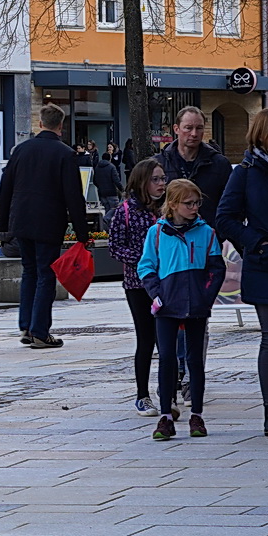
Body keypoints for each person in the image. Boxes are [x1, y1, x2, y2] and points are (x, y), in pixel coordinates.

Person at [0, 104, 91, 350]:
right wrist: (82, 232)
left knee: (29, 271)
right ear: (61, 125)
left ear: (40, 123)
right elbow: (74, 195)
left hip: (21, 221)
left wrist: (2, 224)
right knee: (45, 274)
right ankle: (40, 331)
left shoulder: (21, 150)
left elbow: (5, 187)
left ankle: (27, 326)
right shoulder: (65, 153)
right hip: (49, 223)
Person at [139, 177, 225, 440]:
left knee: (194, 360)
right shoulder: (156, 233)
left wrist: (206, 296)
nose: (194, 208)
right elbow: (146, 266)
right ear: (173, 204)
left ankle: (197, 414)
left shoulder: (206, 232)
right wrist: (156, 294)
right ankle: (166, 415)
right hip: (166, 306)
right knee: (166, 359)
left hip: (196, 305)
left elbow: (217, 268)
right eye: (188, 203)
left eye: (197, 203)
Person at [212, 108, 268, 435]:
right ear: (266, 134)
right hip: (267, 264)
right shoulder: (247, 171)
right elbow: (225, 218)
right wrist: (257, 243)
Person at [108, 158, 168, 417]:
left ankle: (169, 393)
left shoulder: (167, 209)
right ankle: (142, 395)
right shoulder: (125, 211)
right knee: (146, 340)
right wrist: (144, 259)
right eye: (155, 179)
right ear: (142, 182)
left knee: (168, 342)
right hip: (138, 284)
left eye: (163, 179)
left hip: (167, 283)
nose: (161, 184)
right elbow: (114, 247)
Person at [160, 106, 232, 224]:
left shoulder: (220, 164)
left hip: (209, 236)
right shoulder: (160, 164)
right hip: (169, 235)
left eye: (199, 128)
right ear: (176, 129)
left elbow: (232, 204)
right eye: (188, 128)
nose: (194, 133)